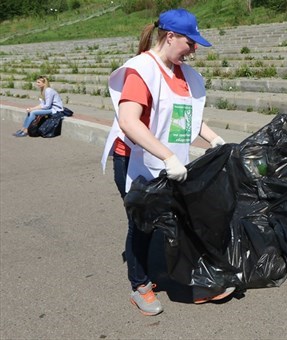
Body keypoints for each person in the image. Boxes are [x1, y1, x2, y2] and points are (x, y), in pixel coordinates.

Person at [100, 8, 231, 316]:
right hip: (136, 160)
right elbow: (130, 122)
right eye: (190, 42)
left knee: (186, 219)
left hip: (171, 163)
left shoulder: (181, 71)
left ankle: (197, 282)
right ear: (170, 37)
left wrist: (215, 140)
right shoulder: (141, 71)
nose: (195, 49)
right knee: (142, 224)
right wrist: (168, 156)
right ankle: (140, 285)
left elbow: (187, 118)